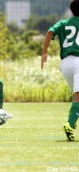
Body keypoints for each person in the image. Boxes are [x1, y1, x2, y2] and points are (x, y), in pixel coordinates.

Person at [41, 0, 79, 141]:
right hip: (78, 61)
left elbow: (50, 31)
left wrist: (44, 52)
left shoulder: (63, 23)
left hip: (65, 64)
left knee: (77, 97)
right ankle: (69, 124)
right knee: (78, 96)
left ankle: (73, 119)